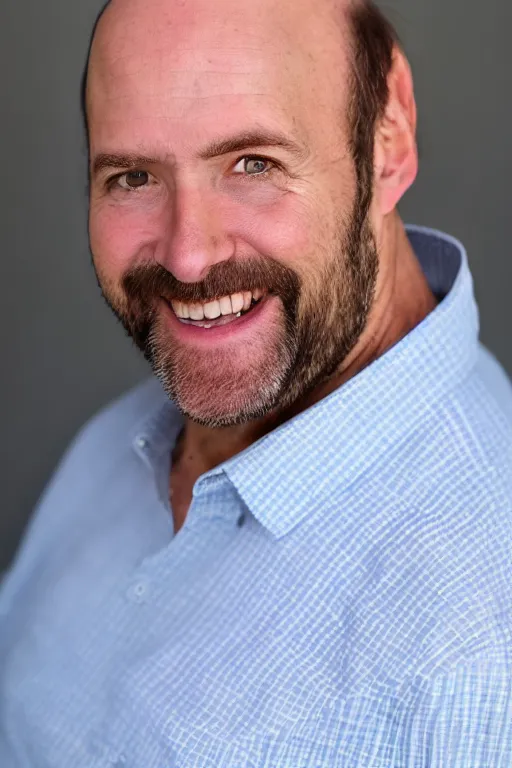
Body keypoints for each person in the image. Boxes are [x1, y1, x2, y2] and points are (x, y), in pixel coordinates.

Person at [1, 0, 511, 764]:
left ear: (389, 138)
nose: (187, 258)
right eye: (133, 175)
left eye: (253, 164)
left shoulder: (474, 657)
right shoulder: (117, 445)